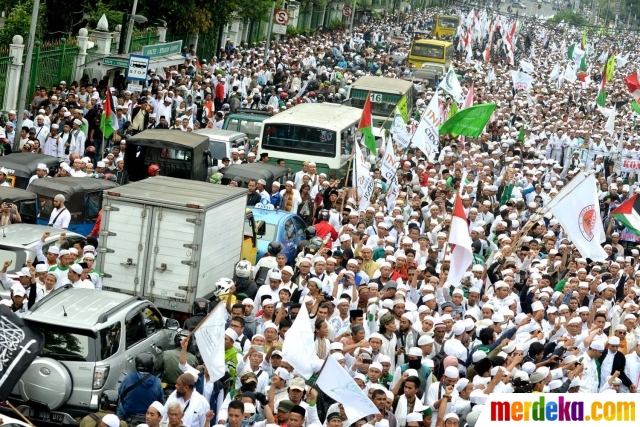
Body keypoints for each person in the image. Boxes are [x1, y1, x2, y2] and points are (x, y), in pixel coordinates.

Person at [116, 352, 164, 421]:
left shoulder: (128, 378)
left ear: (136, 365)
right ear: (152, 366)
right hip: (148, 417)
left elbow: (121, 393)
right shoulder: (158, 381)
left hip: (127, 415)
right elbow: (160, 402)